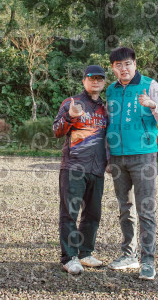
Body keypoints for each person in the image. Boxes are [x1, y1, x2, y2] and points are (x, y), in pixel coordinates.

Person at [106, 47, 158, 281]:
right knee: (125, 208)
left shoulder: (150, 85)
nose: (123, 69)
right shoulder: (111, 90)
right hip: (117, 157)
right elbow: (108, 123)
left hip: (143, 155)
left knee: (146, 209)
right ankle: (128, 255)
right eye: (118, 65)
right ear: (113, 68)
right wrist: (107, 156)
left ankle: (148, 261)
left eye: (127, 64)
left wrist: (152, 105)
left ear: (135, 64)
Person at [52, 65, 109, 275]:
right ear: (84, 80)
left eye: (99, 78)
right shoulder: (72, 102)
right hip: (73, 166)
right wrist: (70, 116)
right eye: (91, 78)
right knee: (69, 213)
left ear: (104, 82)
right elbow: (56, 130)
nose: (95, 81)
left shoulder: (106, 108)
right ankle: (69, 257)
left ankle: (85, 253)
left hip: (97, 168)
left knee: (93, 214)